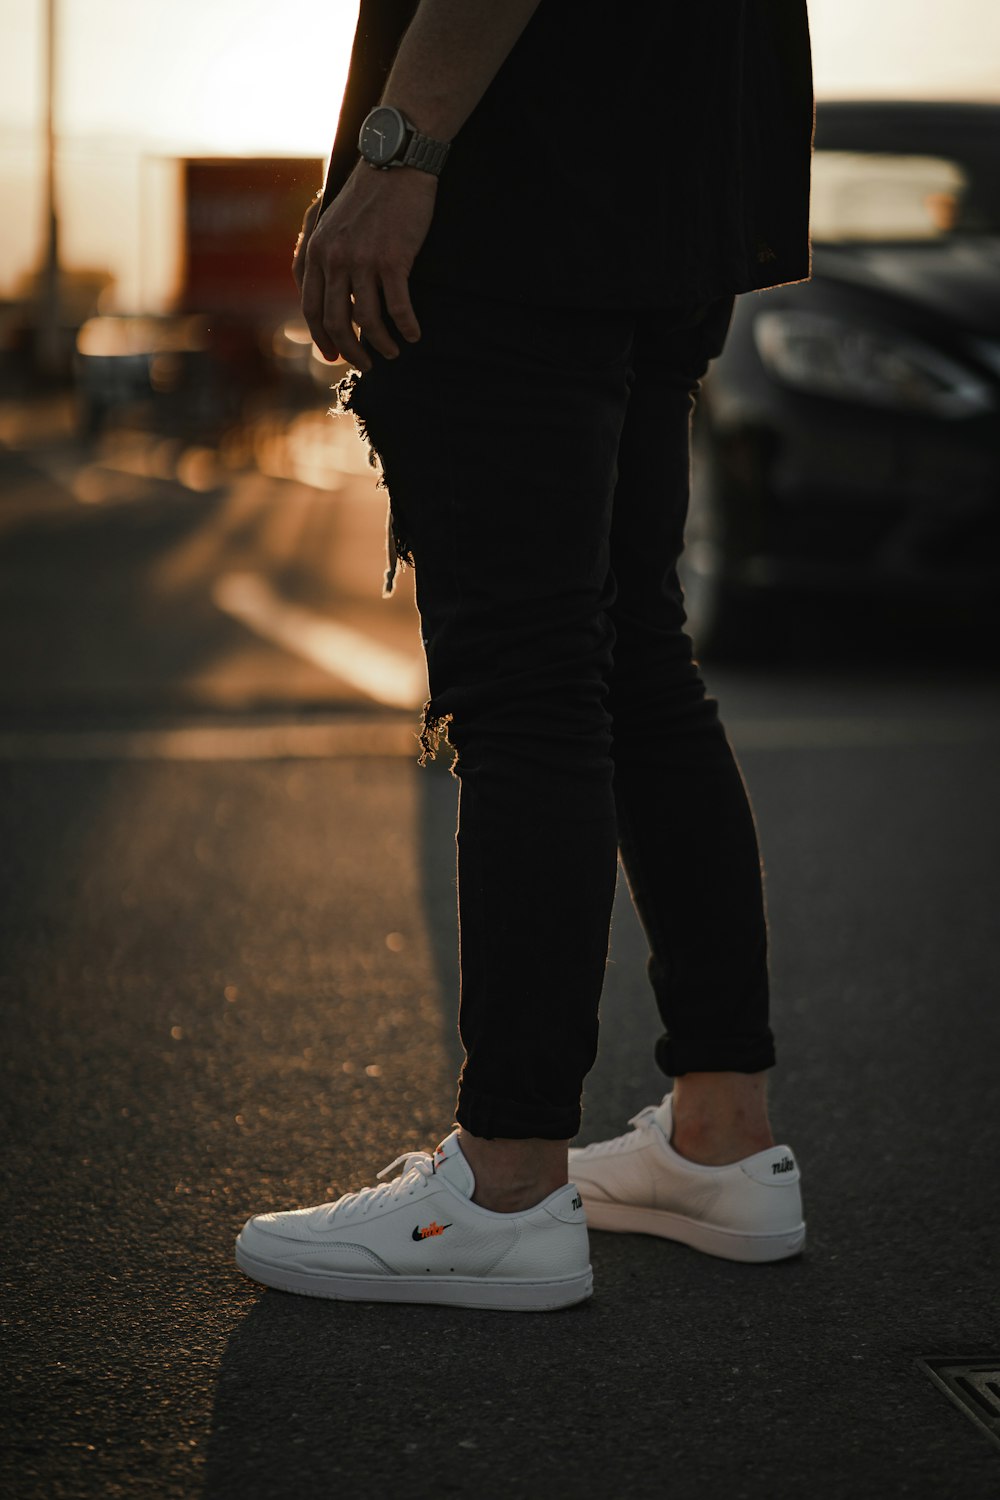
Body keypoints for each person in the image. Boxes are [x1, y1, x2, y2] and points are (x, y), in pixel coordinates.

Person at [235, 0, 814, 1311]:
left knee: (531, 676)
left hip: (532, 173)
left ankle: (506, 1189)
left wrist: (398, 153)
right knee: (634, 654)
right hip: (682, 169)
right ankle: (722, 1140)